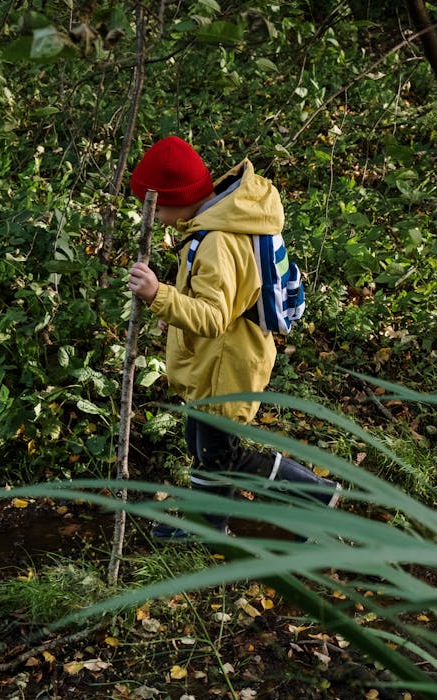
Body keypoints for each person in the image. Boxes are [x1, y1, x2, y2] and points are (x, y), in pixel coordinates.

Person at [126, 135, 340, 538]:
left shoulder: (218, 242)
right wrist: (173, 311)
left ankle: (312, 493)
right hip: (215, 362)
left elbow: (212, 317)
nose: (149, 215)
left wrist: (159, 295)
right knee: (206, 449)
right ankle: (208, 523)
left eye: (153, 205)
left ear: (174, 199)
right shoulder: (212, 223)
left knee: (223, 454)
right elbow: (213, 299)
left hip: (226, 369)